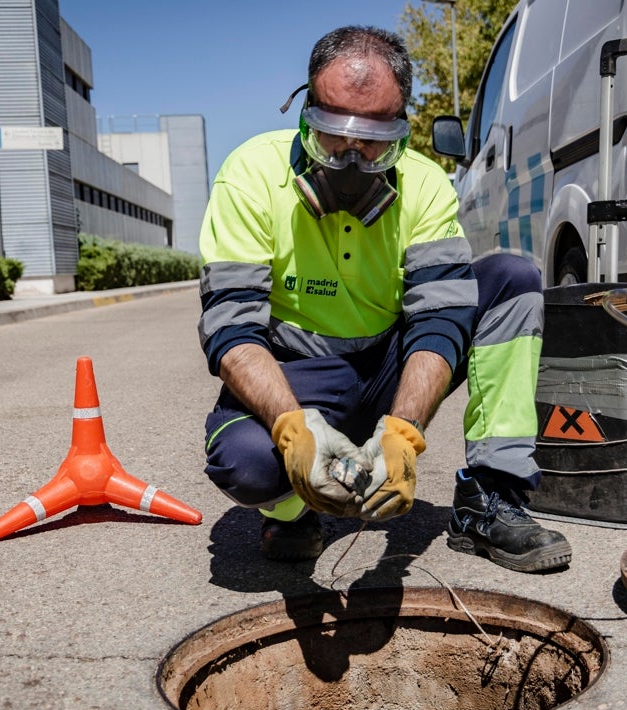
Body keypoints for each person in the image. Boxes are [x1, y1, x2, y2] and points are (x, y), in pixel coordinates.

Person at [198, 26, 572, 573]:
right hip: (300, 373)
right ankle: (293, 507)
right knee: (248, 464)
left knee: (511, 280)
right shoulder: (251, 175)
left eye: (374, 141)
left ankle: (493, 495)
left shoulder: (424, 185)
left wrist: (402, 434)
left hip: (389, 364)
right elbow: (232, 329)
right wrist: (291, 429)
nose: (351, 160)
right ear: (305, 115)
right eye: (333, 134)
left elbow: (441, 317)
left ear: (402, 129)